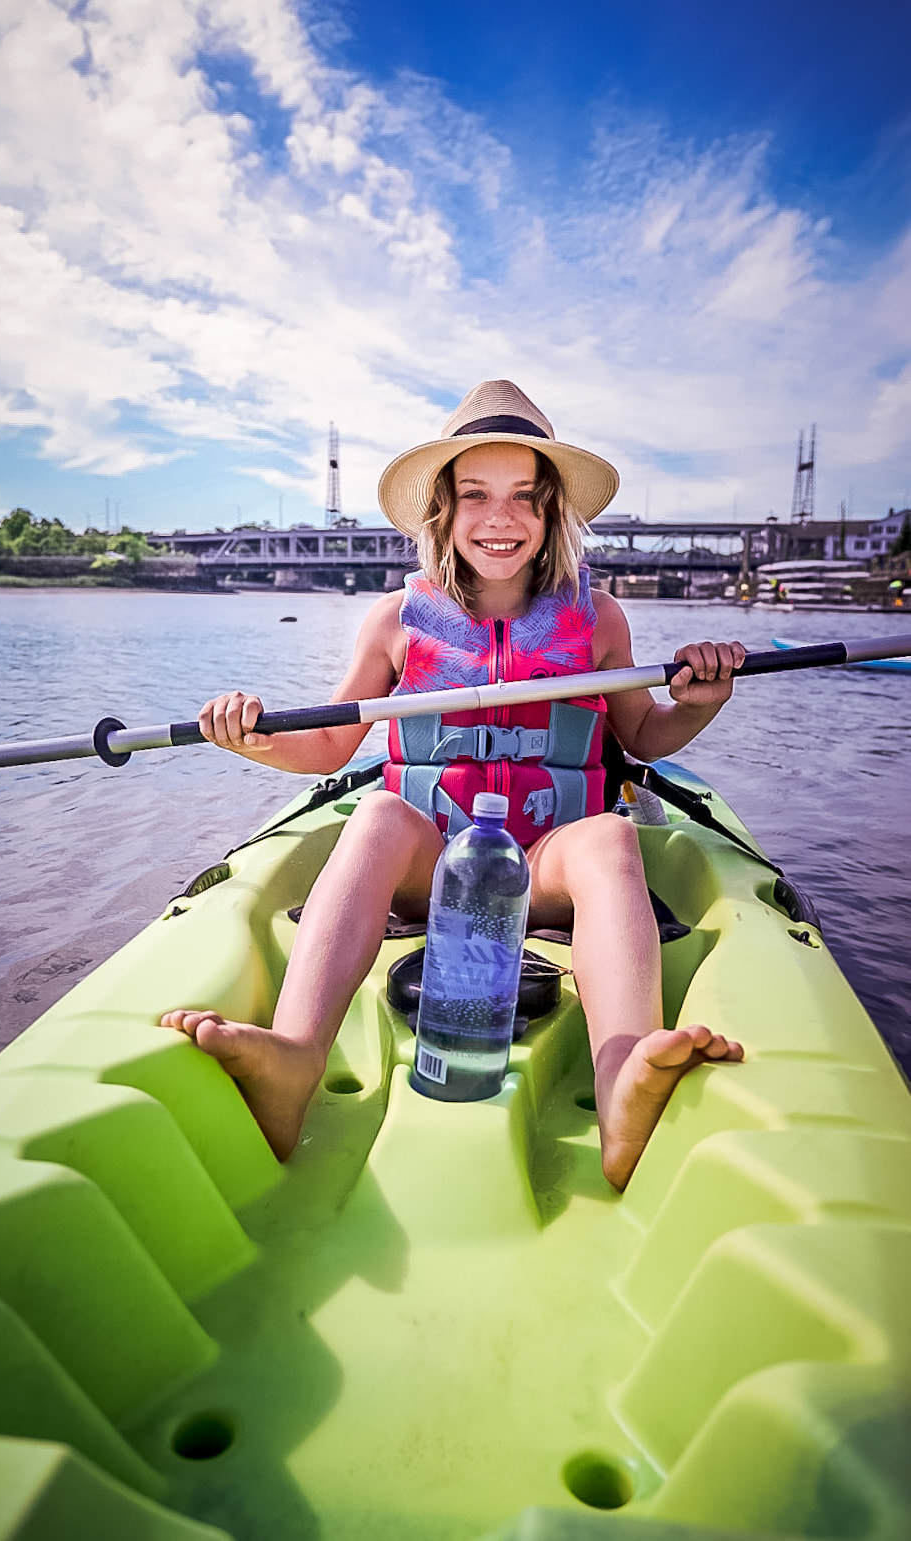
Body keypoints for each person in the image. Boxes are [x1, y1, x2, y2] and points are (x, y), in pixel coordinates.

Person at [162, 381, 745, 1190]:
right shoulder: (399, 617)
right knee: (375, 816)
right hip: (433, 866)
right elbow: (330, 744)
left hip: (541, 867)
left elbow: (643, 735)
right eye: (475, 495)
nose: (499, 519)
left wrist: (699, 704)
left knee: (611, 836)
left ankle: (621, 1081)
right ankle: (295, 1057)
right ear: (443, 508)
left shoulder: (600, 620)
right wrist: (250, 737)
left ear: (551, 516)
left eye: (524, 499)